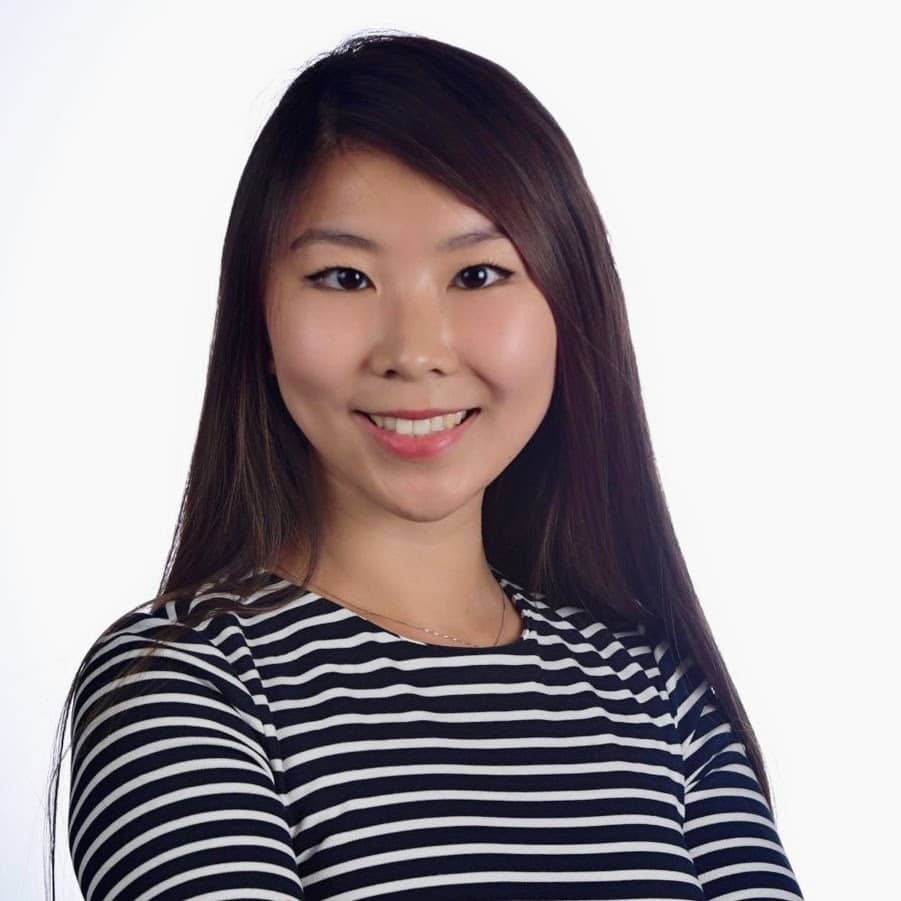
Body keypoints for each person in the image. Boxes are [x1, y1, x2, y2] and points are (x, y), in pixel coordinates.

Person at [47, 30, 804, 900]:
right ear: (258, 318)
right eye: (342, 278)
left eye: (478, 274)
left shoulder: (656, 690)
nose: (415, 352)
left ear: (569, 305)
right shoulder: (185, 685)